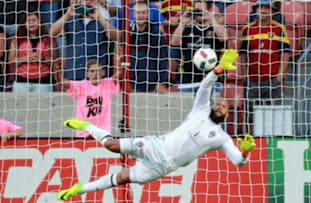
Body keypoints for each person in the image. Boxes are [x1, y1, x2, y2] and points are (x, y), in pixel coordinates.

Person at [56, 50, 256, 201]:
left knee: (122, 178)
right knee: (111, 145)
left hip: (163, 167)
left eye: (224, 107)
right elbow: (205, 86)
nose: (220, 107)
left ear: (228, 115)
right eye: (219, 103)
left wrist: (245, 153)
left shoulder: (222, 137)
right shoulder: (200, 110)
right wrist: (218, 69)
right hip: (156, 145)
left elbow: (238, 162)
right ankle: (86, 126)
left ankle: (80, 189)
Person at [240, 0, 290, 133]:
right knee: (250, 114)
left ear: (273, 12)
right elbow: (243, 54)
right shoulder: (247, 29)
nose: (263, 11)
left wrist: (280, 75)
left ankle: (273, 140)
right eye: (261, 8)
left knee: (273, 114)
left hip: (272, 79)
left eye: (267, 8)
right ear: (255, 11)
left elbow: (285, 53)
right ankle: (250, 139)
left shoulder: (279, 29)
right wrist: (245, 74)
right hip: (252, 80)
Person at [49, 0, 120, 80]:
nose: (88, 3)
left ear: (96, 3)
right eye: (85, 1)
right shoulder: (70, 20)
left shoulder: (103, 21)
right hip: (74, 73)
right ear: (79, 2)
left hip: (96, 75)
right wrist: (67, 15)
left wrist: (100, 18)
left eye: (91, 1)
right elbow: (52, 33)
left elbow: (118, 37)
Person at [55, 59, 122, 138]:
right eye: (92, 71)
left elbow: (120, 74)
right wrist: (58, 70)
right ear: (87, 74)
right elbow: (61, 82)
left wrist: (121, 59)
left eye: (98, 71)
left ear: (103, 73)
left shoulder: (108, 84)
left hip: (103, 132)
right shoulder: (81, 86)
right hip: (83, 132)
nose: (95, 74)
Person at [171, 0, 227, 85]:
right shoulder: (188, 29)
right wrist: (182, 23)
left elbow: (224, 38)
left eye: (202, 10)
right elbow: (174, 43)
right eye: (197, 10)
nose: (199, 13)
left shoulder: (216, 28)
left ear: (209, 11)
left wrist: (212, 19)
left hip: (212, 77)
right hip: (189, 76)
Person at [8, 9, 58, 93]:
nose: (31, 23)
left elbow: (56, 61)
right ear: (24, 23)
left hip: (43, 82)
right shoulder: (17, 39)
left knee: (43, 106)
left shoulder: (49, 39)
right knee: (20, 106)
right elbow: (11, 61)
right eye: (28, 20)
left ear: (40, 22)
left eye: (34, 20)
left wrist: (42, 58)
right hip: (21, 82)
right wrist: (25, 58)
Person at [130, 1, 168, 93]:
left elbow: (162, 59)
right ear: (133, 14)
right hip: (132, 83)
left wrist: (161, 82)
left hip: (152, 83)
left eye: (143, 12)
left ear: (148, 14)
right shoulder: (127, 34)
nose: (140, 15)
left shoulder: (157, 33)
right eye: (138, 12)